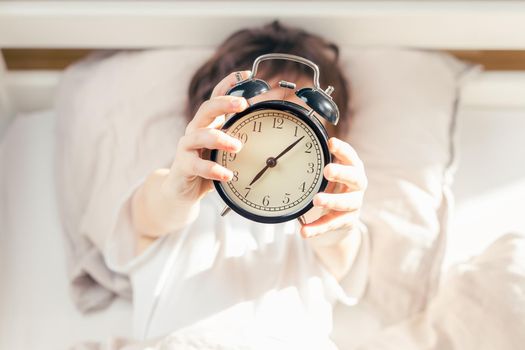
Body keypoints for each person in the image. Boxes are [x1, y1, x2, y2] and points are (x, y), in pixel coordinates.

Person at [109, 21, 368, 348]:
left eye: (299, 123)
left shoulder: (326, 217)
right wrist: (178, 188)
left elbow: (339, 243)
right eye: (264, 118)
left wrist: (337, 222)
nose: (274, 148)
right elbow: (158, 206)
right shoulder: (174, 191)